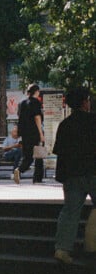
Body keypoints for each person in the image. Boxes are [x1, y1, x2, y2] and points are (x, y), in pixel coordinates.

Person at [53, 87, 96, 264]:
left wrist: (62, 177)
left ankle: (62, 249)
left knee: (70, 212)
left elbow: (60, 153)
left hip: (72, 175)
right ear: (85, 102)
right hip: (93, 172)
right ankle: (91, 243)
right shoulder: (93, 121)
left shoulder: (65, 125)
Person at [14, 83, 45, 184]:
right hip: (34, 133)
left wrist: (18, 132)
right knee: (39, 155)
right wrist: (41, 133)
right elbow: (37, 118)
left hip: (25, 134)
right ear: (36, 92)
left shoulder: (22, 103)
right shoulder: (36, 102)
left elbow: (20, 119)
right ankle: (37, 178)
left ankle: (19, 169)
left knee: (27, 156)